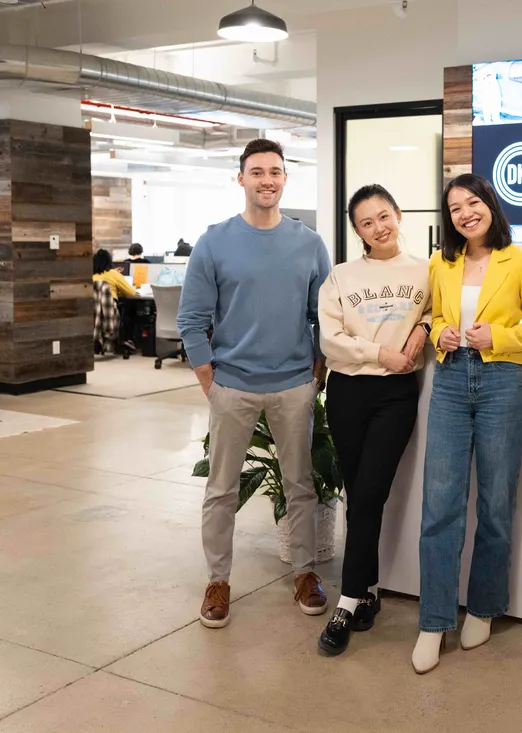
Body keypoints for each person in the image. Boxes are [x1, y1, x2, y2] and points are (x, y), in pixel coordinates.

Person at [178, 138, 332, 630]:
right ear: (240, 178)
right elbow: (191, 319)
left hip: (293, 386)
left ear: (285, 179)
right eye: (257, 171)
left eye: (276, 171)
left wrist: (317, 371)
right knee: (221, 490)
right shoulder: (214, 242)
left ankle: (305, 573)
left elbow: (323, 316)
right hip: (233, 386)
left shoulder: (309, 243)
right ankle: (218, 581)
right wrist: (211, 380)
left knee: (301, 486)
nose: (267, 179)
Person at [412, 173, 522, 674]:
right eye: (455, 208)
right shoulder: (440, 262)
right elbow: (429, 316)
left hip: (500, 382)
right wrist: (439, 334)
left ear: (490, 205)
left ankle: (485, 607)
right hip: (450, 383)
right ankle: (433, 619)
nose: (465, 213)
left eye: (473, 203)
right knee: (441, 504)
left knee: (495, 503)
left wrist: (496, 334)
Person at [315, 184, 431, 656]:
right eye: (367, 222)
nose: (378, 227)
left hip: (395, 395)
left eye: (384, 216)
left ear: (398, 214)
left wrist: (422, 328)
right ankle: (370, 591)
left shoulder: (426, 270)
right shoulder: (341, 276)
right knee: (358, 496)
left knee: (369, 493)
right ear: (357, 230)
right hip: (347, 392)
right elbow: (331, 339)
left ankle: (344, 603)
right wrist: (379, 351)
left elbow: (440, 312)